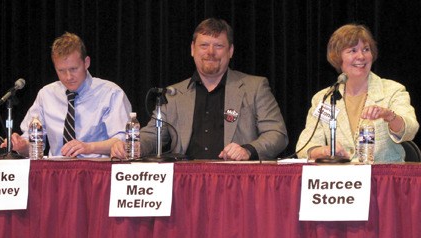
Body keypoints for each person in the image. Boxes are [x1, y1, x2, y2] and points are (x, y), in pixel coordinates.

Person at [110, 18, 288, 160]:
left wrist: (248, 150)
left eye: (218, 46)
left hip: (237, 181)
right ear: (192, 49)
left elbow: (277, 134)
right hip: (185, 182)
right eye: (204, 45)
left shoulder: (255, 87)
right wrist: (134, 145)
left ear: (231, 51)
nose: (210, 52)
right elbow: (152, 134)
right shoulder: (173, 94)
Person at [296, 24, 419, 162]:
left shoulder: (392, 90)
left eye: (366, 49)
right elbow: (304, 147)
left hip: (383, 179)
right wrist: (326, 151)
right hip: (341, 181)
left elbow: (410, 130)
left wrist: (389, 116)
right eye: (353, 50)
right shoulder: (324, 98)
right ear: (337, 57)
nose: (361, 56)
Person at [3, 32, 131, 158]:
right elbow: (33, 144)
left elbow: (124, 140)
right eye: (61, 71)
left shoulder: (111, 93)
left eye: (74, 69)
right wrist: (21, 145)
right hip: (56, 173)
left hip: (98, 172)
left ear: (86, 63)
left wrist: (88, 147)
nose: (68, 77)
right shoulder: (46, 95)